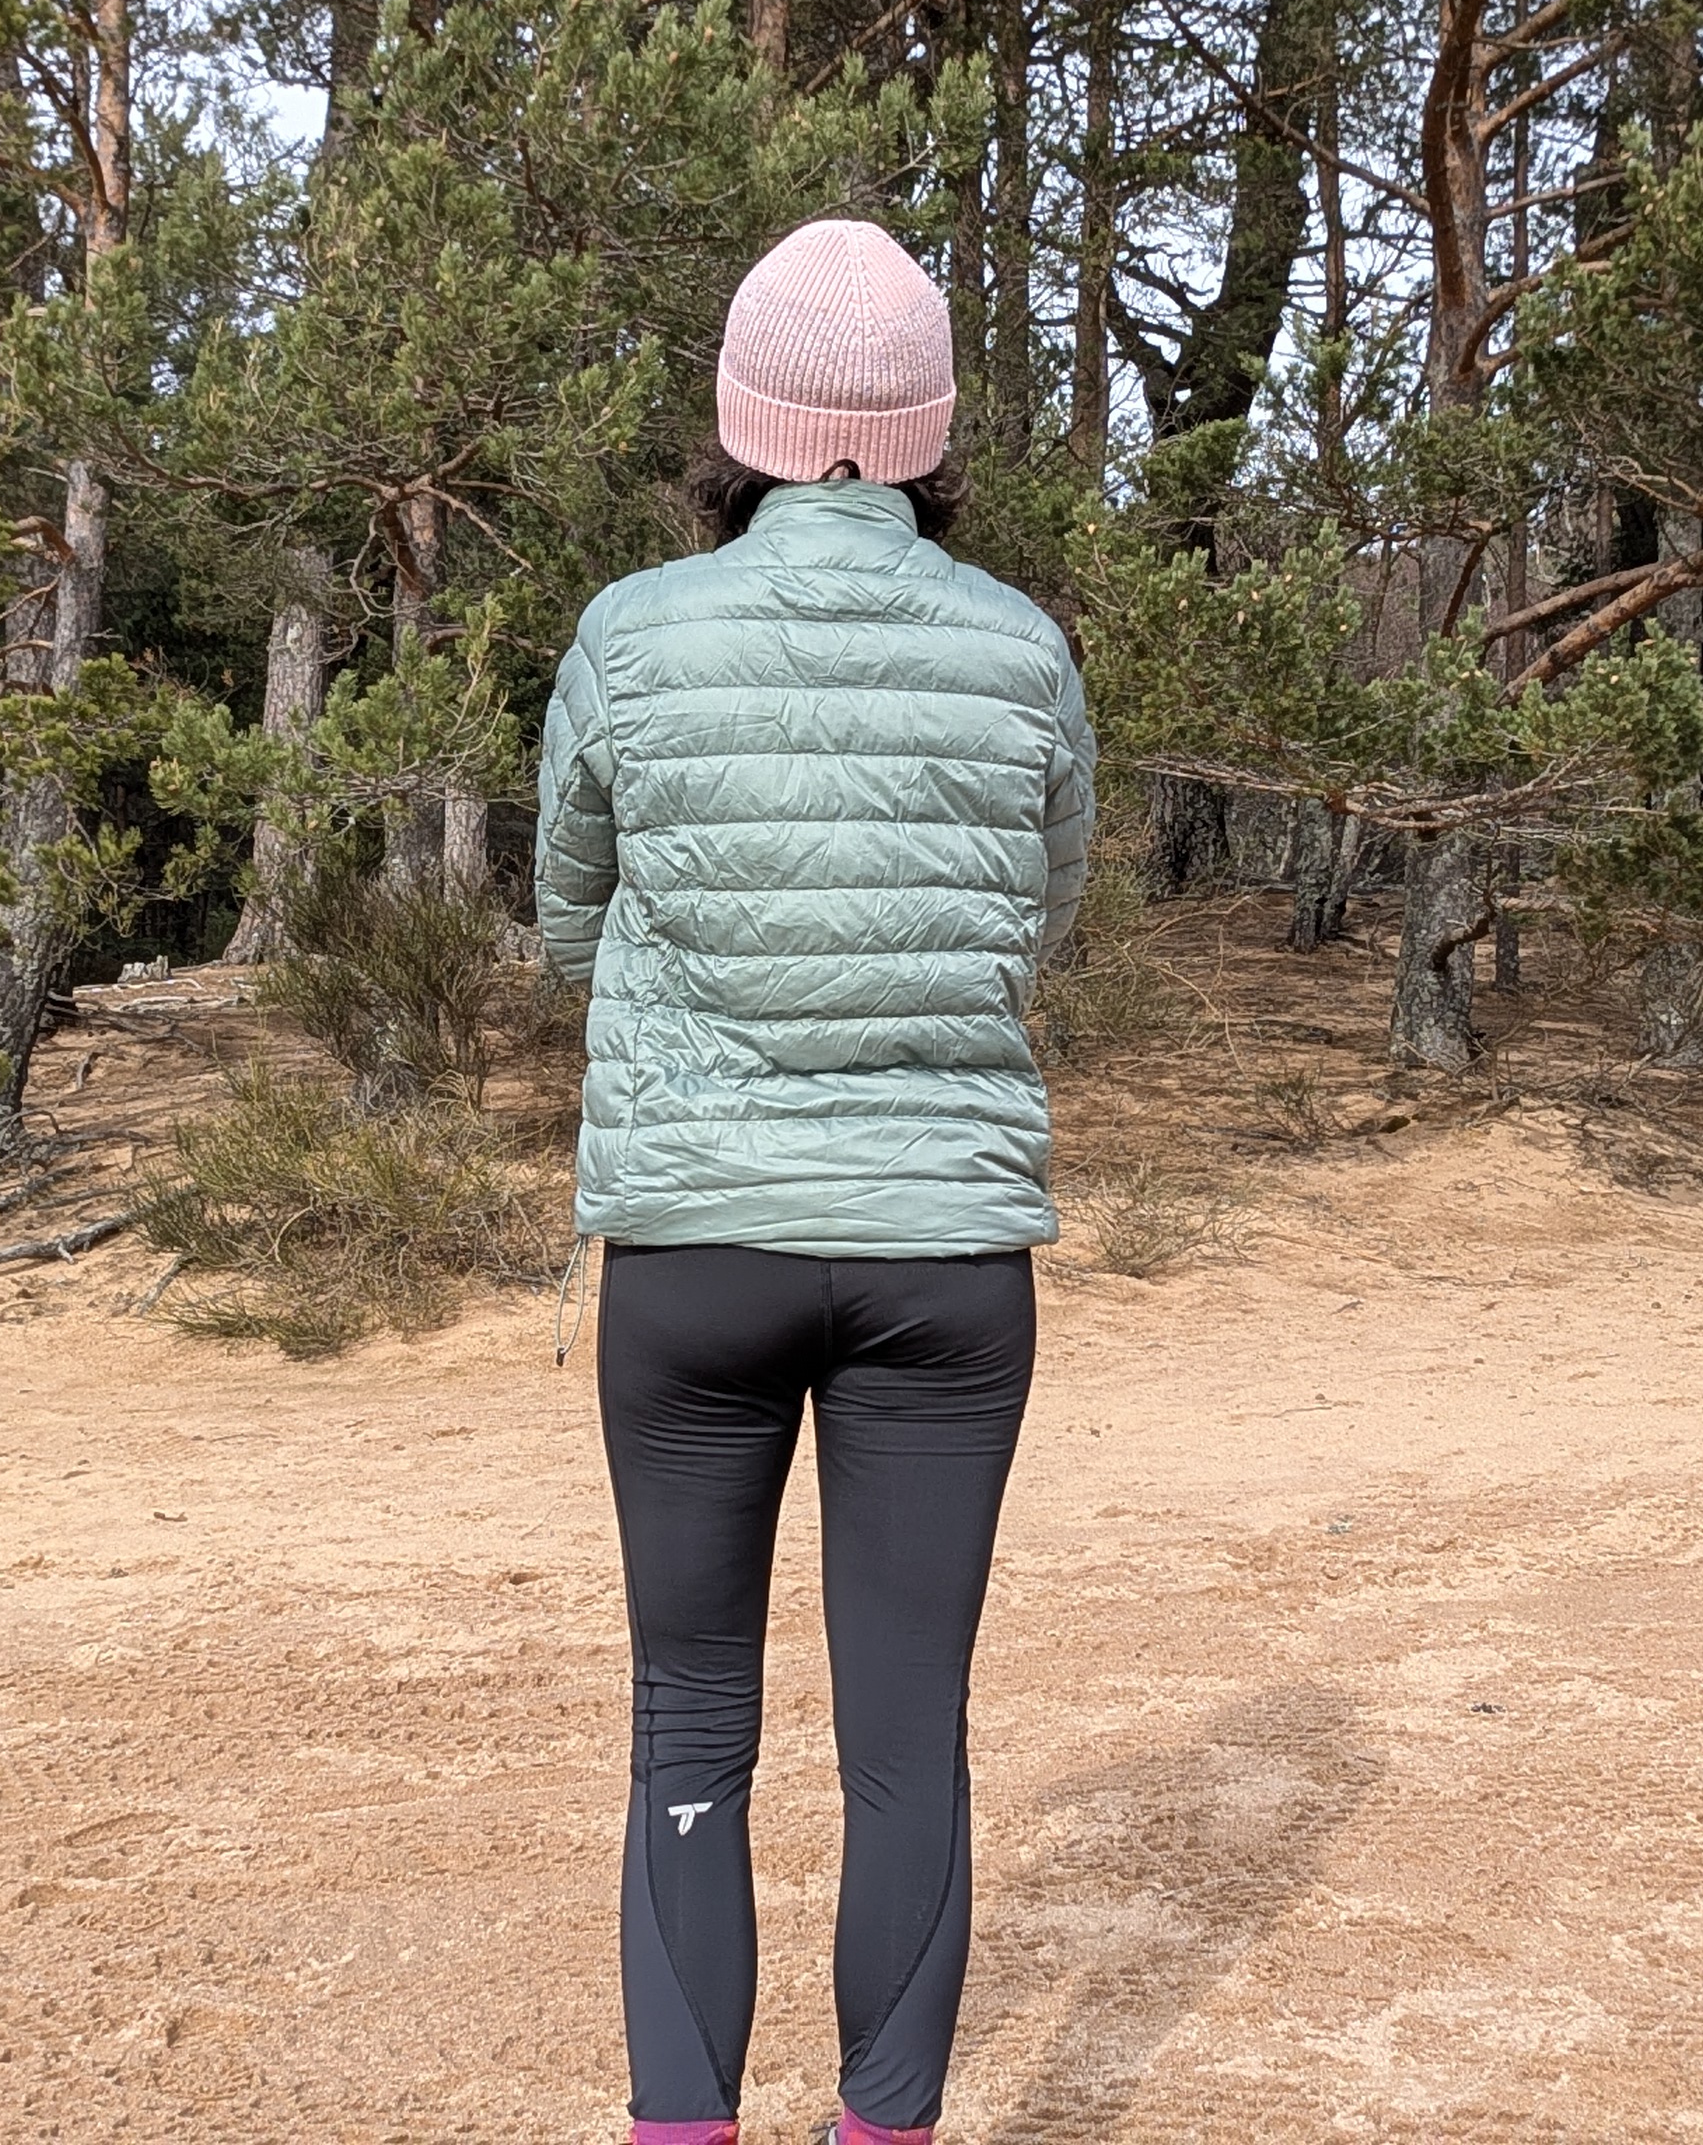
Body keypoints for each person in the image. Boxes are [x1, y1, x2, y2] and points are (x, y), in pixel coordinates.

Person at [532, 216, 1095, 2145]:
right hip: (944, 1250)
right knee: (906, 1746)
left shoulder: (630, 636)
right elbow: (1042, 913)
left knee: (691, 1722)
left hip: (692, 1250)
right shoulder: (1021, 647)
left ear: (738, 422)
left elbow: (559, 917)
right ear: (929, 434)